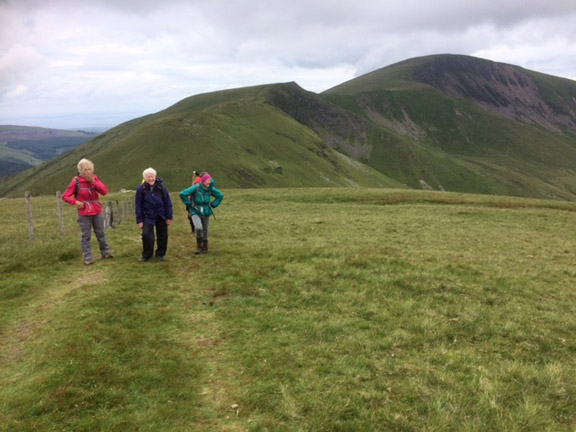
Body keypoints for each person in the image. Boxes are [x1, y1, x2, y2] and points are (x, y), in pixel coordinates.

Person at [62, 158, 113, 265]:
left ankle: (105, 252)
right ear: (80, 170)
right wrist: (75, 202)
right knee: (86, 236)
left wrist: (94, 182)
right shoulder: (76, 181)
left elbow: (104, 191)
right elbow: (65, 196)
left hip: (97, 210)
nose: (88, 172)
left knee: (101, 233)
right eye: (85, 170)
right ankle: (88, 258)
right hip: (84, 212)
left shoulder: (95, 179)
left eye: (89, 169)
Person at [179, 172, 224, 254]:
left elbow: (220, 196)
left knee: (205, 229)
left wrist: (213, 205)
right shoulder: (196, 188)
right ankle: (199, 246)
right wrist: (189, 204)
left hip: (206, 211)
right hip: (195, 210)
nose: (209, 182)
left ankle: (205, 247)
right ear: (203, 181)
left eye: (210, 180)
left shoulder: (210, 189)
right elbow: (182, 194)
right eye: (207, 180)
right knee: (198, 227)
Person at [135, 168, 173, 262]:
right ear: (145, 178)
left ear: (155, 177)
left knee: (162, 235)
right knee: (147, 235)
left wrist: (169, 217)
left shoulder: (161, 188)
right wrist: (139, 220)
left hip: (161, 215)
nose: (150, 178)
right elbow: (138, 205)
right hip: (147, 216)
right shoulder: (141, 189)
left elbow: (168, 203)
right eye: (148, 177)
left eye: (152, 176)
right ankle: (146, 255)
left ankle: (160, 254)